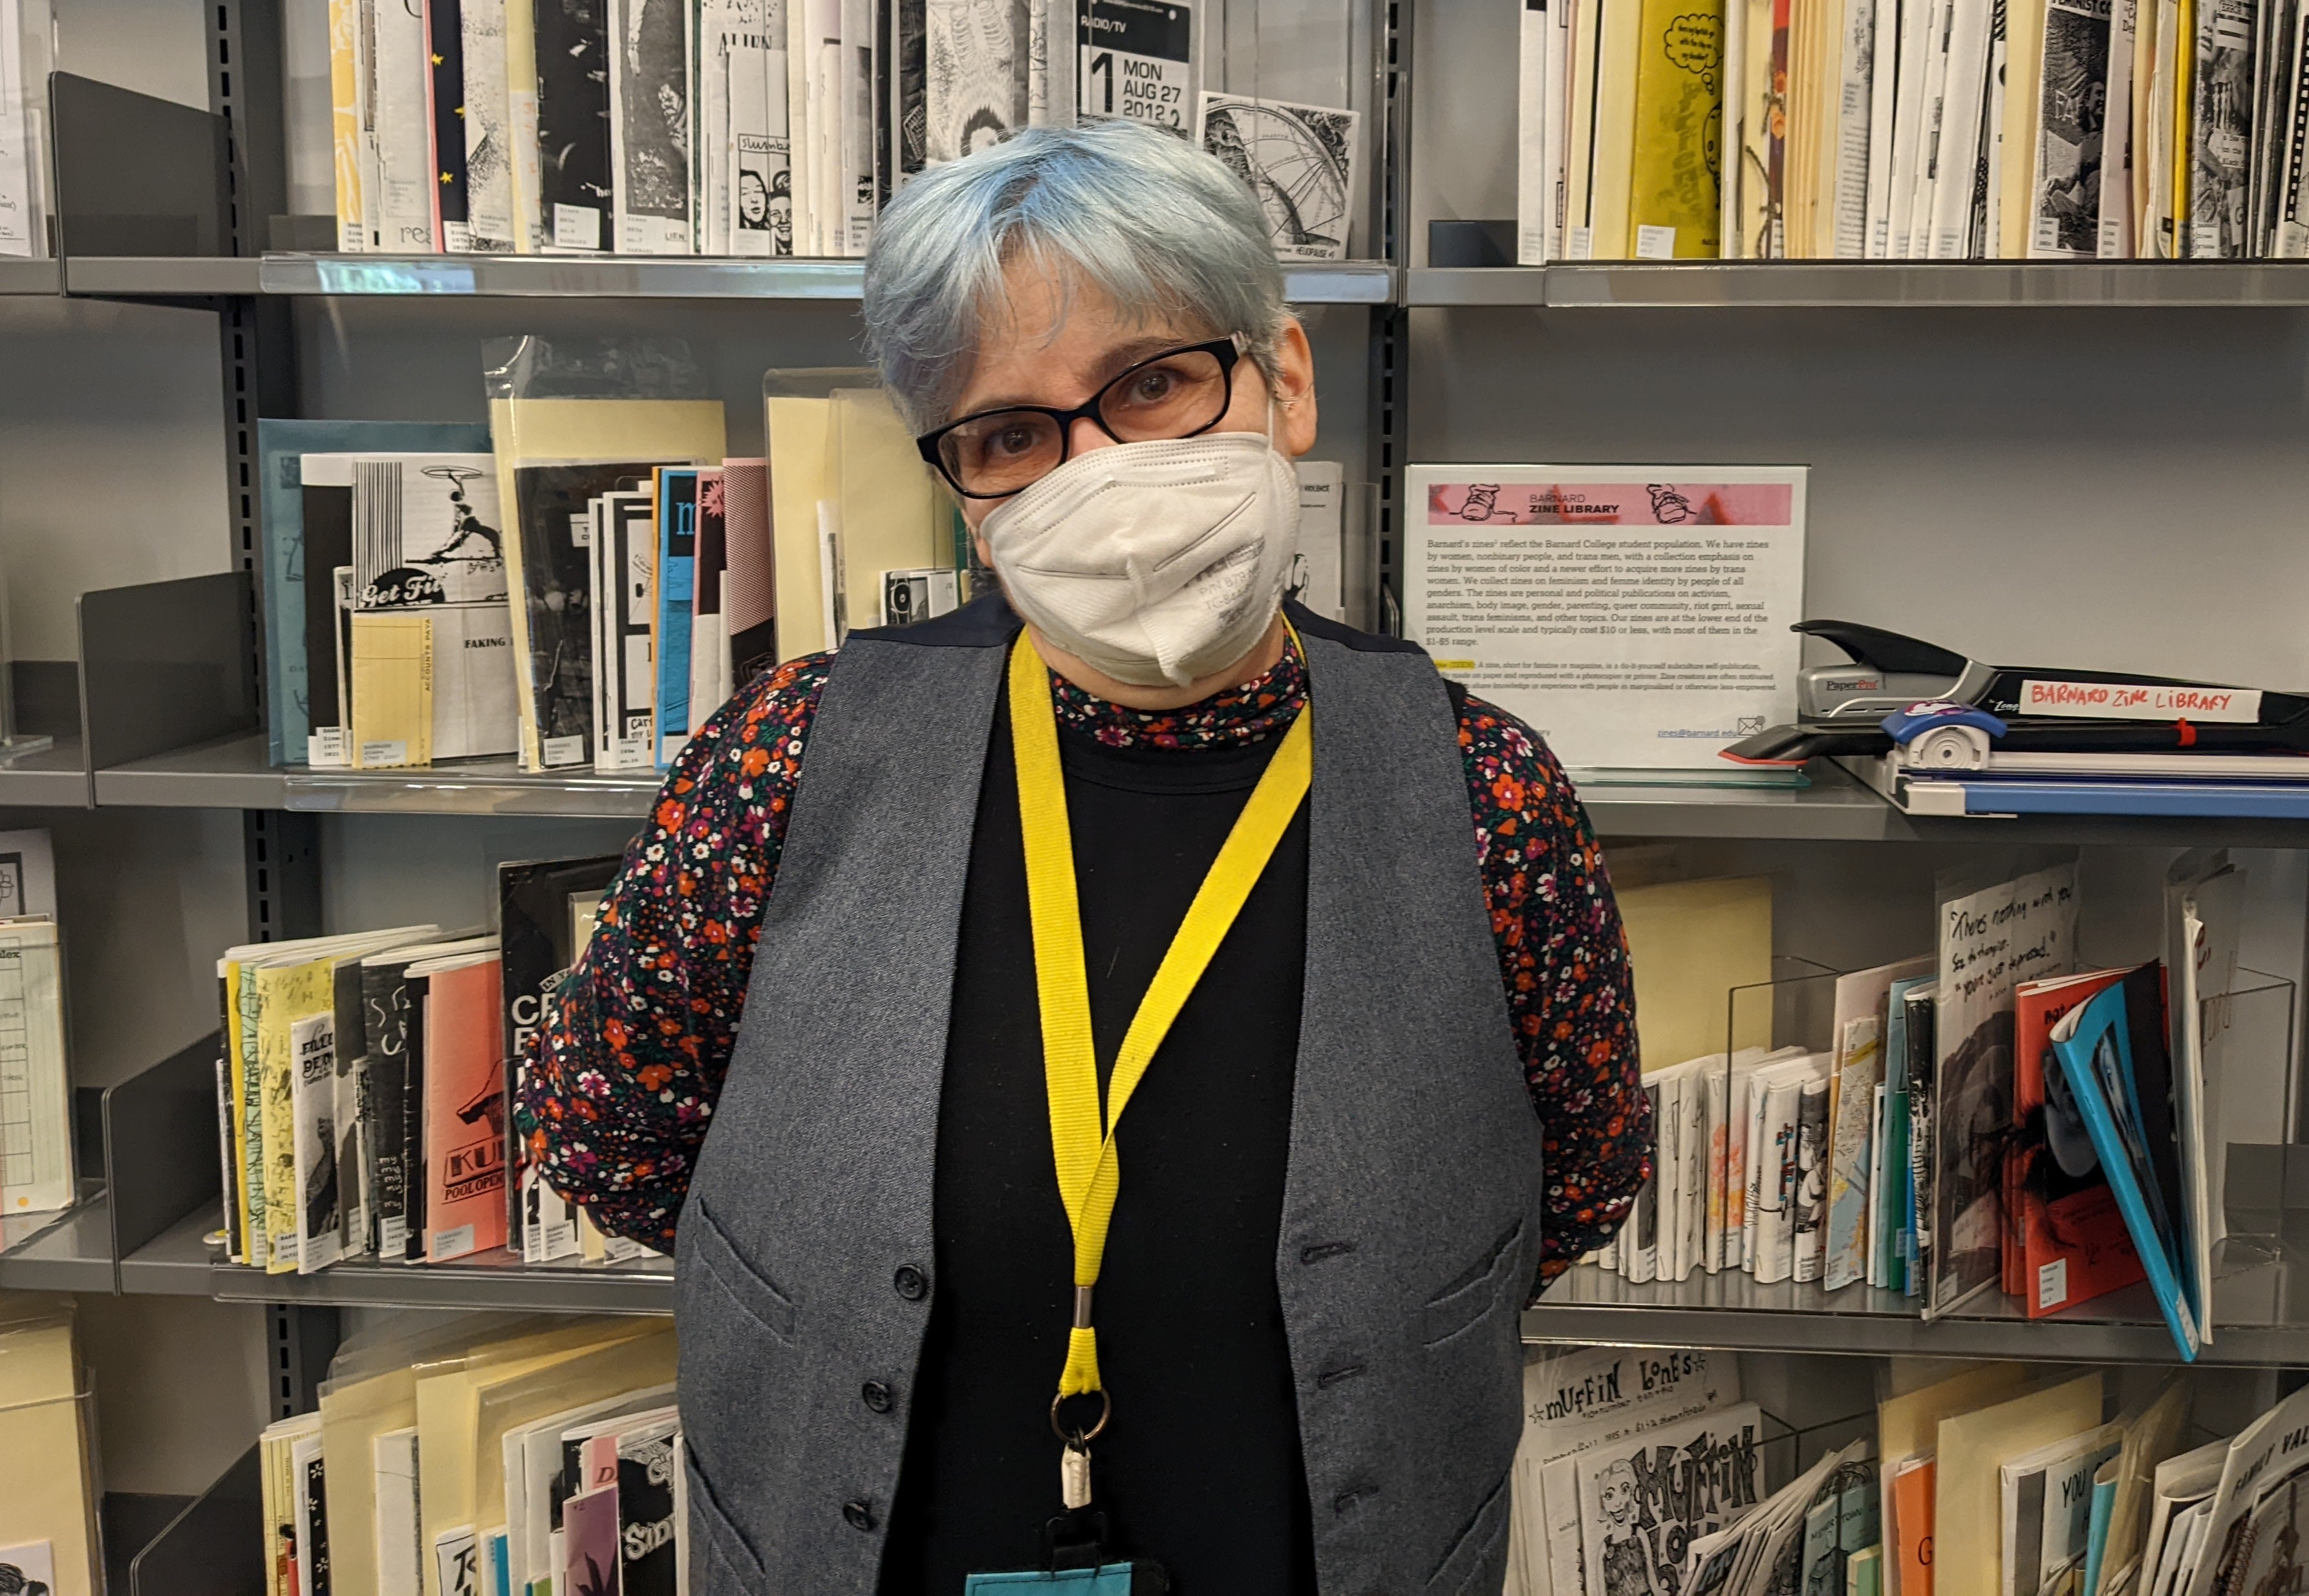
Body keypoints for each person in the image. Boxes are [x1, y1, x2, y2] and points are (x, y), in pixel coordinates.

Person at [519, 118, 1644, 1596]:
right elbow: (610, 1132)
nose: (1099, 472)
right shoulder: (790, 758)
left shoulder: (1486, 789)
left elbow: (1566, 1184)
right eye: (1010, 432)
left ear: (1286, 380)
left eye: (1157, 383)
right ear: (965, 488)